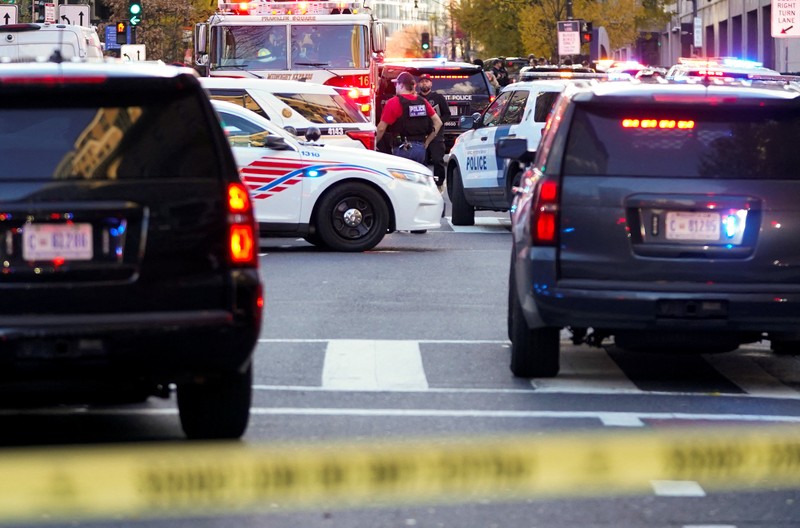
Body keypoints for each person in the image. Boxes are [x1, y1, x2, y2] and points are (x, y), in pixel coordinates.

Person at [375, 71, 442, 165]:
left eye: (396, 84)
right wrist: (427, 142)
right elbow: (438, 122)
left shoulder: (393, 102)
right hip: (420, 149)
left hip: (402, 148)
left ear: (401, 85)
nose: (395, 87)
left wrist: (374, 143)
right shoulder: (422, 101)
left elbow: (381, 128)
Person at [417, 73, 450, 190]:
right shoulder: (416, 98)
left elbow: (447, 114)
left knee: (437, 159)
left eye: (426, 81)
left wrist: (438, 121)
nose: (424, 83)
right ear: (418, 84)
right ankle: (422, 183)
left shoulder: (438, 97)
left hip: (436, 133)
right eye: (422, 81)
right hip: (420, 134)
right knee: (421, 160)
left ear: (431, 83)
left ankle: (439, 183)